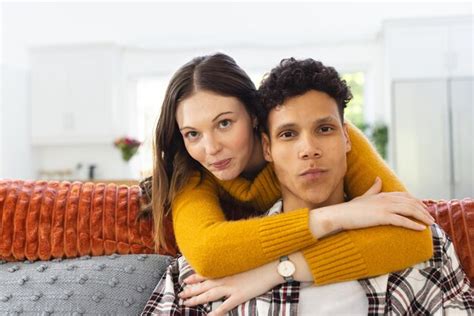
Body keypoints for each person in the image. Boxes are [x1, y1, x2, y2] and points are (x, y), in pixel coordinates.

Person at [152, 57, 473, 315]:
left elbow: (415, 231)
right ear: (269, 145)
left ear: (253, 119)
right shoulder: (190, 173)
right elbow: (208, 252)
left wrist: (276, 271)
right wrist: (338, 215)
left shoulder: (337, 137)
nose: (210, 148)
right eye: (193, 133)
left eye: (224, 123)